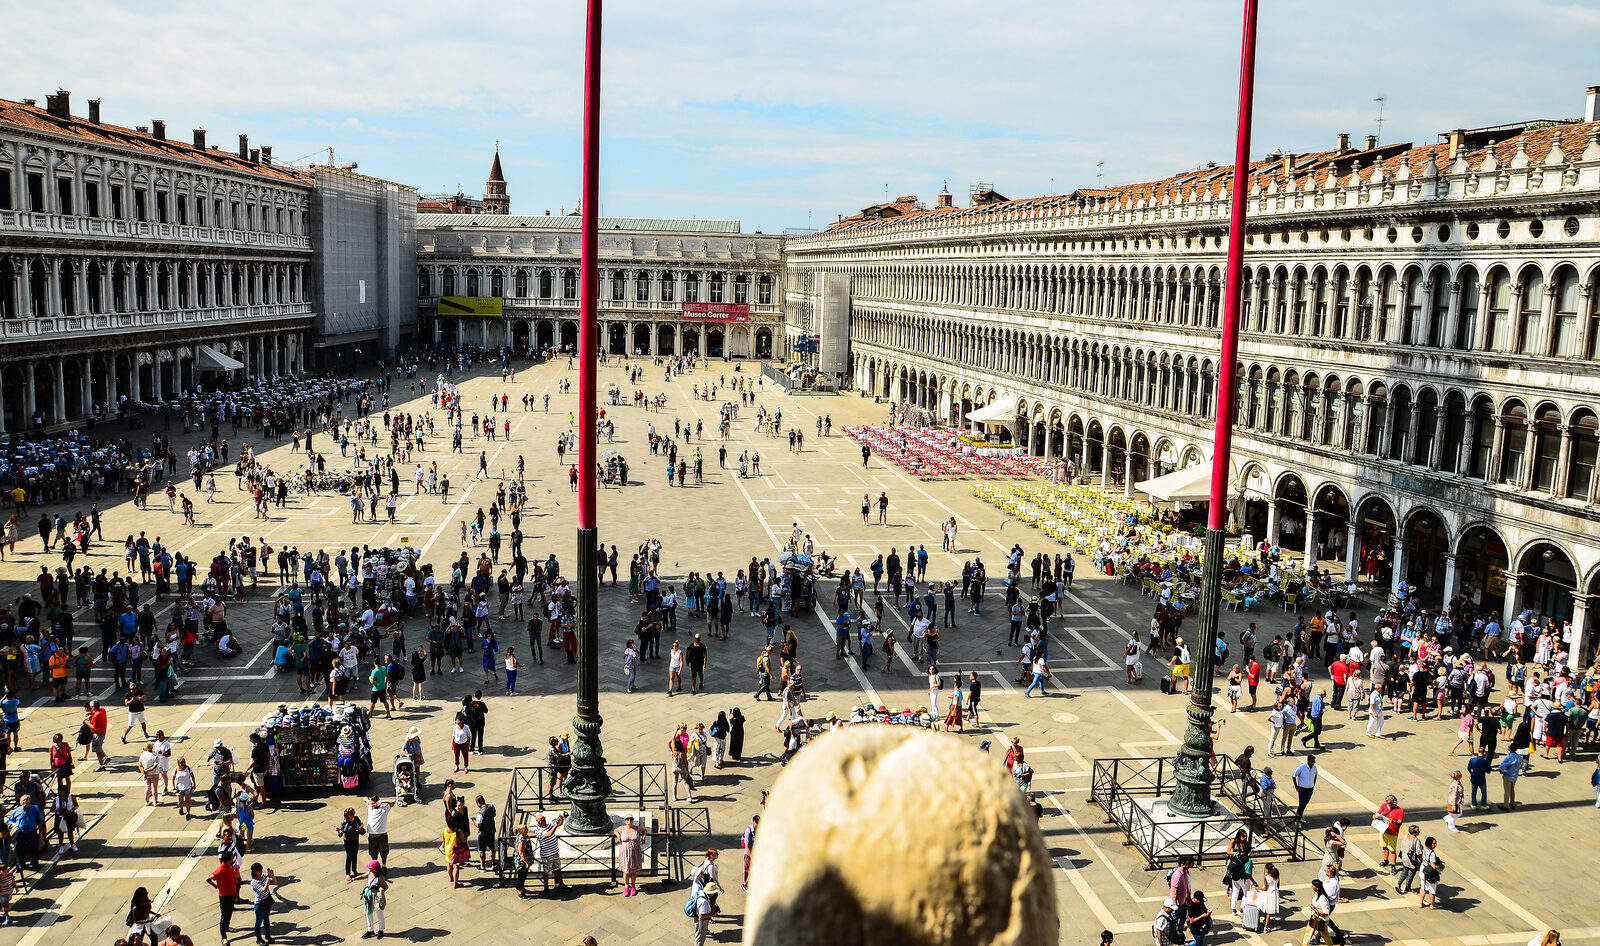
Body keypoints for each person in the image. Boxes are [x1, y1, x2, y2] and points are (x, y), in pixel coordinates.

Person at [206, 852, 240, 938]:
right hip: (224, 896)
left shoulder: (229, 866)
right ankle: (223, 935)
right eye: (231, 858)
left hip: (232, 893)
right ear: (227, 860)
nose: (232, 860)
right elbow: (208, 878)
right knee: (224, 916)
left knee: (229, 913)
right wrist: (216, 886)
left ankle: (227, 927)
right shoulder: (220, 870)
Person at [532, 811, 568, 893]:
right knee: (546, 871)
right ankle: (546, 887)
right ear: (539, 822)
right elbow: (549, 834)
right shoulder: (538, 831)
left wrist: (560, 819)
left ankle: (561, 884)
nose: (545, 820)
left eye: (544, 818)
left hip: (555, 852)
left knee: (558, 869)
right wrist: (555, 825)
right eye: (543, 820)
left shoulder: (548, 824)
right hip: (547, 855)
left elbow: (558, 824)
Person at [615, 813, 646, 896]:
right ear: (625, 821)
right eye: (627, 819)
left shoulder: (637, 828)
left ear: (633, 820)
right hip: (625, 852)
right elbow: (615, 830)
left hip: (635, 852)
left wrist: (644, 837)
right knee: (625, 871)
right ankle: (626, 886)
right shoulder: (622, 828)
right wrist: (618, 835)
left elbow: (645, 830)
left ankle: (633, 886)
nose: (629, 820)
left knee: (633, 871)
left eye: (631, 819)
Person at [248, 863, 277, 944]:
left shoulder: (263, 876)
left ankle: (268, 935)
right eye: (259, 870)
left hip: (267, 900)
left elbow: (274, 882)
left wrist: (272, 875)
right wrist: (268, 878)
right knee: (258, 922)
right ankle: (258, 939)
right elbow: (264, 889)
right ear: (255, 872)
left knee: (266, 919)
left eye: (261, 869)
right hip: (260, 903)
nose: (261, 871)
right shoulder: (254, 882)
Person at [361, 861, 389, 939]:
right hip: (369, 896)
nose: (369, 868)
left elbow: (386, 887)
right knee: (368, 912)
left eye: (370, 867)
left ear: (375, 869)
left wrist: (377, 890)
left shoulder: (380, 878)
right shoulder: (370, 872)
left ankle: (381, 930)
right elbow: (363, 876)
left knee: (379, 913)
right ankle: (370, 930)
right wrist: (353, 879)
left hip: (377, 897)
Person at [1375, 795, 1404, 869]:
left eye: (1391, 804)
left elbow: (1400, 822)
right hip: (1383, 830)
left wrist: (1393, 822)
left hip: (1393, 833)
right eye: (1388, 803)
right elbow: (1378, 813)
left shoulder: (1400, 811)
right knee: (1384, 846)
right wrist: (1375, 816)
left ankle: (1393, 865)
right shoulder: (1384, 806)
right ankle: (1385, 860)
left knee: (1392, 850)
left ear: (1395, 803)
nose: (1389, 805)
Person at [1394, 825, 1424, 894]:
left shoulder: (1405, 837)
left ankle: (1398, 884)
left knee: (1405, 871)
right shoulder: (1416, 840)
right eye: (1418, 831)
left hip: (1405, 858)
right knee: (1411, 873)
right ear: (1414, 832)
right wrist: (1421, 859)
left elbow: (1402, 847)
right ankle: (1408, 888)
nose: (1419, 832)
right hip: (1412, 860)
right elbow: (1418, 852)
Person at [1291, 755, 1318, 824]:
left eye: (1314, 762)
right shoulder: (1302, 767)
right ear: (1308, 761)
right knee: (1302, 804)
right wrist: (1296, 786)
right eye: (1312, 762)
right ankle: (1297, 819)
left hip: (1310, 789)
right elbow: (1294, 776)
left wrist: (1313, 784)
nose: (1313, 763)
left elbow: (1315, 775)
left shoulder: (1314, 768)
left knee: (1305, 803)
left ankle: (1300, 815)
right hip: (1302, 789)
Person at [1417, 836, 1444, 909]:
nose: (1435, 845)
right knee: (1432, 889)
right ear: (1430, 844)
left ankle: (1420, 903)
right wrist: (1440, 867)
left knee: (1423, 887)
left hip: (1423, 870)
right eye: (1434, 843)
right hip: (1430, 873)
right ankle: (1432, 904)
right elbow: (1433, 866)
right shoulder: (1432, 854)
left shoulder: (1425, 850)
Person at [693, 881, 721, 946]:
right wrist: (713, 914)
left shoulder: (702, 893)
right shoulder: (704, 901)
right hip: (702, 921)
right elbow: (701, 916)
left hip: (699, 919)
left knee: (699, 936)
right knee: (700, 938)